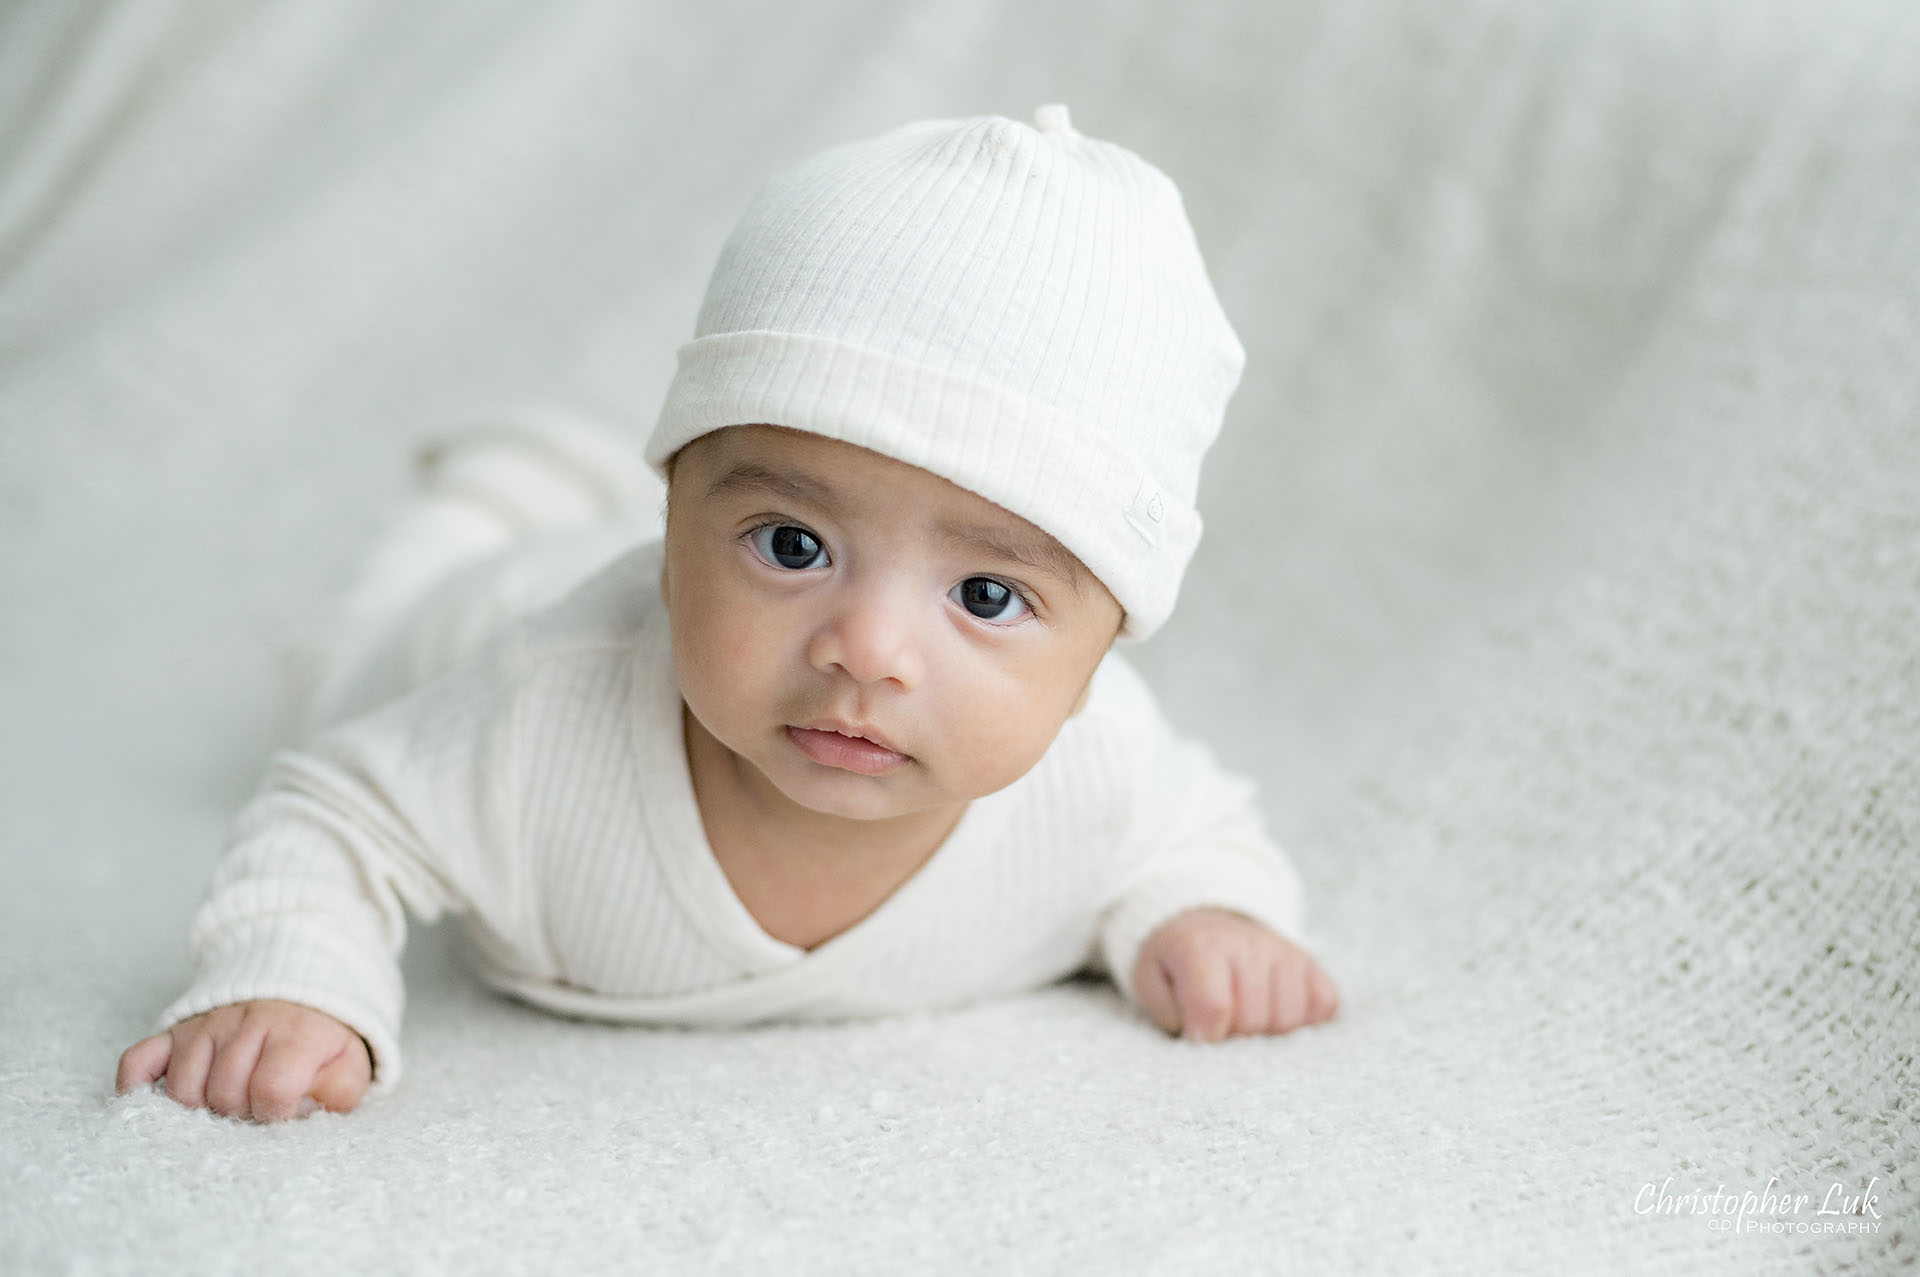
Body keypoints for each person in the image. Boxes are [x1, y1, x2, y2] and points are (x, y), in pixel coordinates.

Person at [116, 104, 1340, 1123]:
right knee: (348, 647)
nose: (866, 646)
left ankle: (624, 497)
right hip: (469, 619)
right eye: (793, 543)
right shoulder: (536, 713)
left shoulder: (1101, 767)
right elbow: (334, 815)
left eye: (986, 594)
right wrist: (292, 975)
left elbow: (1200, 832)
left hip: (636, 563)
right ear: (680, 510)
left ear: (1100, 651)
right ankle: (498, 487)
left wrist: (1208, 914)